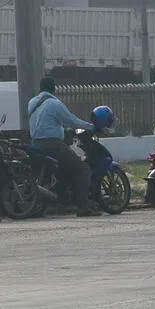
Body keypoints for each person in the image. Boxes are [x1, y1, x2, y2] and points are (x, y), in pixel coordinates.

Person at [27, 77, 99, 217]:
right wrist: (92, 127)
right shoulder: (54, 104)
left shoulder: (32, 102)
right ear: (54, 89)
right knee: (82, 169)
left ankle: (62, 197)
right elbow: (71, 120)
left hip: (35, 143)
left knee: (64, 168)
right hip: (52, 144)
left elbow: (45, 123)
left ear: (40, 88)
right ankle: (83, 207)